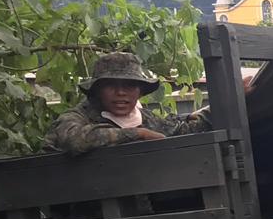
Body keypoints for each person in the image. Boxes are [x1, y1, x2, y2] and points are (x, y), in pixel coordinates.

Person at [45, 52, 214, 153]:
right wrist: (138, 134)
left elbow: (181, 130)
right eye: (111, 85)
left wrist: (219, 107)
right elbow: (74, 139)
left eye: (129, 86)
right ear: (97, 90)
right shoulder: (77, 117)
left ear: (140, 91)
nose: (120, 93)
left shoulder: (146, 119)